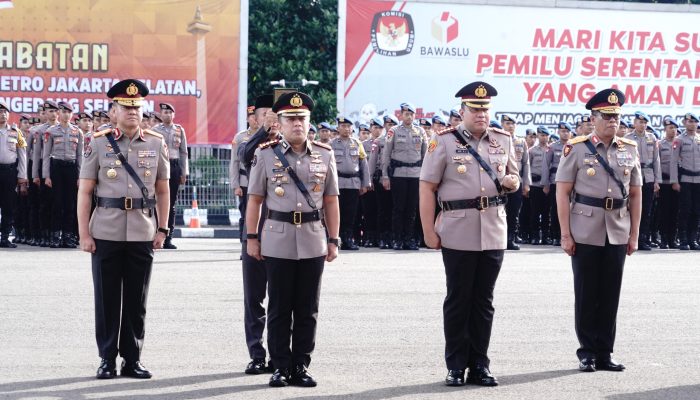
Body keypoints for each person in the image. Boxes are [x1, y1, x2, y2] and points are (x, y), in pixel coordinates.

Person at [420, 81, 519, 387]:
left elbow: (514, 173)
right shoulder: (444, 142)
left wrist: (512, 180)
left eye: (485, 109)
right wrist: (428, 231)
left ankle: (480, 364)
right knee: (459, 298)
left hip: (493, 228)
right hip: (457, 229)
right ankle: (455, 365)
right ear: (461, 111)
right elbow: (427, 186)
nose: (481, 114)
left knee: (484, 301)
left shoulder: (503, 140)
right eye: (474, 109)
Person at [245, 91, 340, 388]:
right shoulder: (265, 153)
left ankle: (301, 364)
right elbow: (255, 200)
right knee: (279, 307)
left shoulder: (325, 154)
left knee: (307, 307)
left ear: (309, 122)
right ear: (280, 123)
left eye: (302, 118)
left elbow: (331, 200)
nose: (297, 123)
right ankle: (280, 366)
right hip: (278, 238)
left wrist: (334, 239)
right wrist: (252, 238)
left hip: (313, 239)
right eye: (291, 118)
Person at [77, 79, 170, 379]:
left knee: (136, 299)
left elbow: (163, 190)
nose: (132, 111)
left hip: (142, 231)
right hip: (105, 230)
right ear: (113, 112)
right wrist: (84, 234)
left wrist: (163, 229)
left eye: (137, 107)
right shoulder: (99, 142)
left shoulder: (156, 142)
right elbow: (85, 191)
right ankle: (106, 358)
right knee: (106, 300)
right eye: (125, 107)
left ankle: (132, 359)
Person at [556, 88, 641, 373]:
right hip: (585, 227)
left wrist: (634, 234)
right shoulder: (577, 148)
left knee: (610, 293)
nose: (612, 121)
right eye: (606, 116)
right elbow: (563, 192)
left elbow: (636, 194)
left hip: (617, 227)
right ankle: (587, 352)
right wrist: (566, 234)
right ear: (593, 118)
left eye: (616, 116)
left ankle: (605, 351)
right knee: (586, 292)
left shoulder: (629, 149)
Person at [239, 94, 276, 375]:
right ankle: (256, 353)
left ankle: (278, 354)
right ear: (255, 118)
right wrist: (264, 130)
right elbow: (245, 154)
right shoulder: (252, 143)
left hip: (281, 232)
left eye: (274, 116)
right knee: (254, 298)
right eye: (264, 115)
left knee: (280, 298)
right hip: (253, 231)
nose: (270, 119)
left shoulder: (290, 143)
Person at [382, 103, 427, 250]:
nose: (409, 116)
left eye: (411, 114)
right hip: (398, 174)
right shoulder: (393, 131)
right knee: (398, 208)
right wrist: (385, 176)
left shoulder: (420, 132)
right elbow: (386, 154)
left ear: (415, 116)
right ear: (401, 115)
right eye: (406, 114)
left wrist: (425, 178)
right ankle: (397, 239)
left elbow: (426, 156)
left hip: (416, 175)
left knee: (412, 208)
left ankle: (409, 239)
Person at [43, 101, 82, 248]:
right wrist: (46, 175)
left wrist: (80, 176)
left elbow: (80, 156)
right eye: (63, 112)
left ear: (72, 114)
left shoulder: (77, 132)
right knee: (57, 203)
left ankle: (67, 236)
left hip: (71, 169)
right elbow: (46, 155)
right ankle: (55, 235)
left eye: (69, 112)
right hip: (56, 168)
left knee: (70, 204)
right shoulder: (51, 131)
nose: (66, 115)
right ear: (59, 113)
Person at [152, 102, 189, 249]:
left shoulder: (179, 130)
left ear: (173, 114)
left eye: (169, 112)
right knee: (156, 202)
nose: (167, 114)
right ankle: (155, 235)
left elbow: (184, 152)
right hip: (159, 166)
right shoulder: (155, 130)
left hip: (174, 167)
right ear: (160, 114)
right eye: (164, 112)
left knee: (171, 204)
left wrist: (184, 172)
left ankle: (168, 238)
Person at [624, 111, 660, 250]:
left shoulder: (652, 138)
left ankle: (642, 239)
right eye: (640, 122)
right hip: (632, 177)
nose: (643, 125)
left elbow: (656, 160)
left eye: (645, 122)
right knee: (629, 208)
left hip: (648, 176)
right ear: (634, 123)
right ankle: (628, 237)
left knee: (646, 210)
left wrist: (657, 180)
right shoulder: (627, 138)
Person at [332, 116, 369, 250]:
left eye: (348, 126)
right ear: (338, 128)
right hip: (338, 183)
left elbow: (363, 164)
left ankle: (348, 239)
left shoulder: (357, 143)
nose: (346, 129)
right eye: (343, 126)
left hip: (354, 183)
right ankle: (337, 239)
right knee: (338, 212)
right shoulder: (332, 144)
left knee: (351, 213)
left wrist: (365, 183)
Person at [670, 112, 700, 250]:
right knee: (685, 209)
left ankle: (693, 239)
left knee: (696, 210)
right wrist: (674, 181)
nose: (692, 124)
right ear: (684, 123)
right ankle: (683, 239)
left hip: (698, 180)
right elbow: (673, 161)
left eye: (694, 121)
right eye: (689, 121)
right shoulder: (679, 139)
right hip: (685, 179)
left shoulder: (699, 139)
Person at [0, 101, 28, 247]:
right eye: (0, 112)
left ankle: (4, 237)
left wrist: (22, 176)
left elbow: (22, 154)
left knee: (8, 205)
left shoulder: (15, 132)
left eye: (5, 112)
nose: (3, 115)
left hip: (9, 172)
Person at [32, 100, 60, 247]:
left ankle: (55, 234)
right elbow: (37, 155)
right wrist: (36, 175)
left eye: (56, 111)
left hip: (59, 168)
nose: (53, 114)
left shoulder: (64, 129)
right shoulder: (40, 130)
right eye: (50, 111)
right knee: (44, 204)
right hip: (45, 169)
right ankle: (44, 234)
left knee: (57, 204)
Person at [501, 114, 530, 250]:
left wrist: (526, 184)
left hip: (516, 181)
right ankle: (499, 239)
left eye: (513, 124)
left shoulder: (520, 141)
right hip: (500, 181)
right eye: (508, 123)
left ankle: (510, 239)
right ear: (502, 124)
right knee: (499, 211)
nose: (511, 126)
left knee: (514, 212)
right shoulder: (496, 139)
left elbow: (526, 163)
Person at [546, 122, 573, 246]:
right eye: (562, 131)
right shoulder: (552, 147)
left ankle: (571, 235)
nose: (565, 133)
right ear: (558, 132)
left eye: (567, 131)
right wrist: (545, 183)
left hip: (572, 183)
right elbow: (546, 166)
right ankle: (556, 236)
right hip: (555, 182)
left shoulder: (575, 145)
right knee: (556, 210)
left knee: (572, 210)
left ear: (570, 133)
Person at [368, 117, 392, 248]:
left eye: (393, 124)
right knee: (382, 209)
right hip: (380, 178)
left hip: (395, 177)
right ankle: (382, 237)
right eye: (388, 124)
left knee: (394, 209)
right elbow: (371, 162)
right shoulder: (378, 141)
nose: (390, 127)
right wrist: (369, 179)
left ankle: (392, 236)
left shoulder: (399, 139)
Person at [658, 117, 679, 249]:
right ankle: (664, 238)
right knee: (664, 211)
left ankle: (673, 238)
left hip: (677, 182)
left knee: (675, 211)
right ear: (665, 129)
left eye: (675, 128)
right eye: (670, 128)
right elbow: (657, 163)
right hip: (664, 182)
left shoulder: (680, 143)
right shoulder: (660, 144)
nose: (673, 130)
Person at [529, 126, 550, 245]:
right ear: (538, 136)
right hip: (535, 185)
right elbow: (528, 168)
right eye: (542, 135)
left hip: (547, 185)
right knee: (535, 212)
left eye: (546, 135)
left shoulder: (551, 149)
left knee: (547, 213)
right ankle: (535, 236)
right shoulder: (532, 150)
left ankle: (546, 236)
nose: (544, 137)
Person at [12, 113, 32, 245]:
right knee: (16, 205)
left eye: (29, 123)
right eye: (24, 122)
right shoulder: (16, 135)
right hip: (15, 171)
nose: (27, 125)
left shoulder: (34, 136)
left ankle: (26, 232)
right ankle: (18, 231)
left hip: (29, 171)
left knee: (28, 206)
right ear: (20, 124)